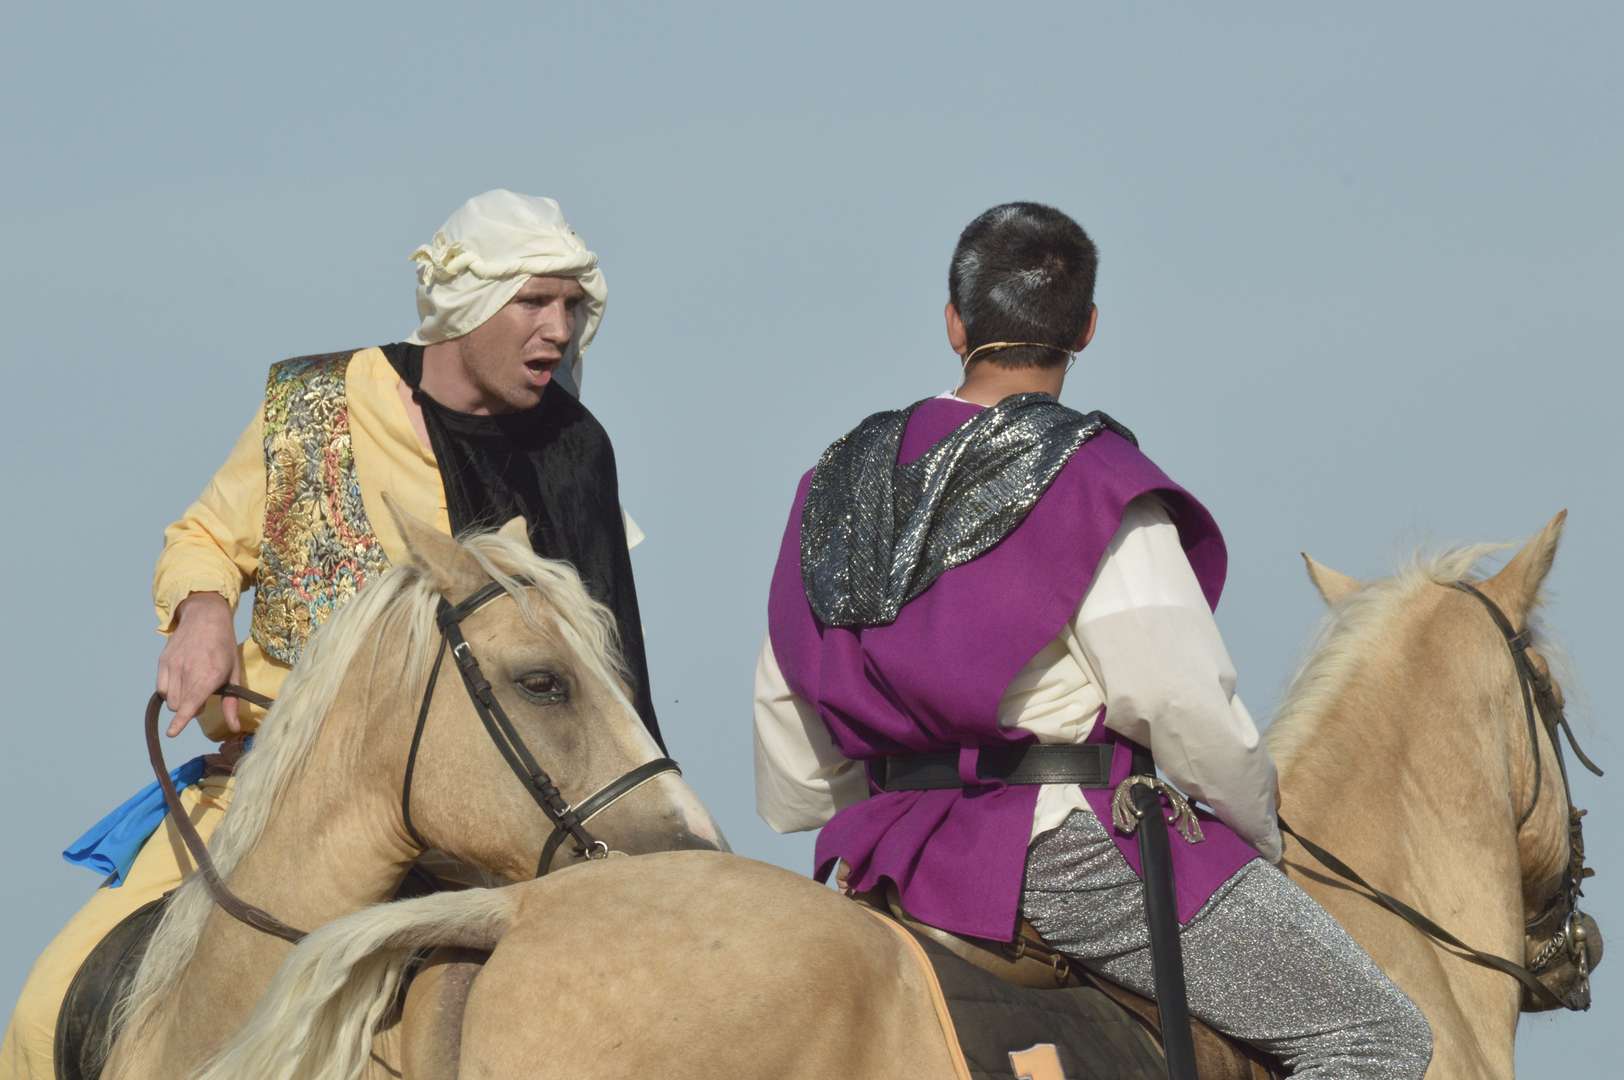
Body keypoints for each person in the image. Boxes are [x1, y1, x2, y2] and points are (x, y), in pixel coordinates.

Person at [753, 203, 1433, 1077]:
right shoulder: (1094, 477)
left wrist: (866, 820)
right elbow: (1182, 701)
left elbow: (790, 726)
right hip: (1060, 854)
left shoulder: (833, 482)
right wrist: (1256, 840)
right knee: (1378, 1036)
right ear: (1086, 329)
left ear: (956, 322)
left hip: (881, 854)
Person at [1, 189, 661, 1079]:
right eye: (535, 301)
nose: (560, 328)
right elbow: (206, 535)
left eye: (573, 305)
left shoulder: (571, 451)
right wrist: (202, 615)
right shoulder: (316, 402)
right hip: (264, 797)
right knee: (42, 1015)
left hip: (477, 834)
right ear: (464, 304)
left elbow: (598, 672)